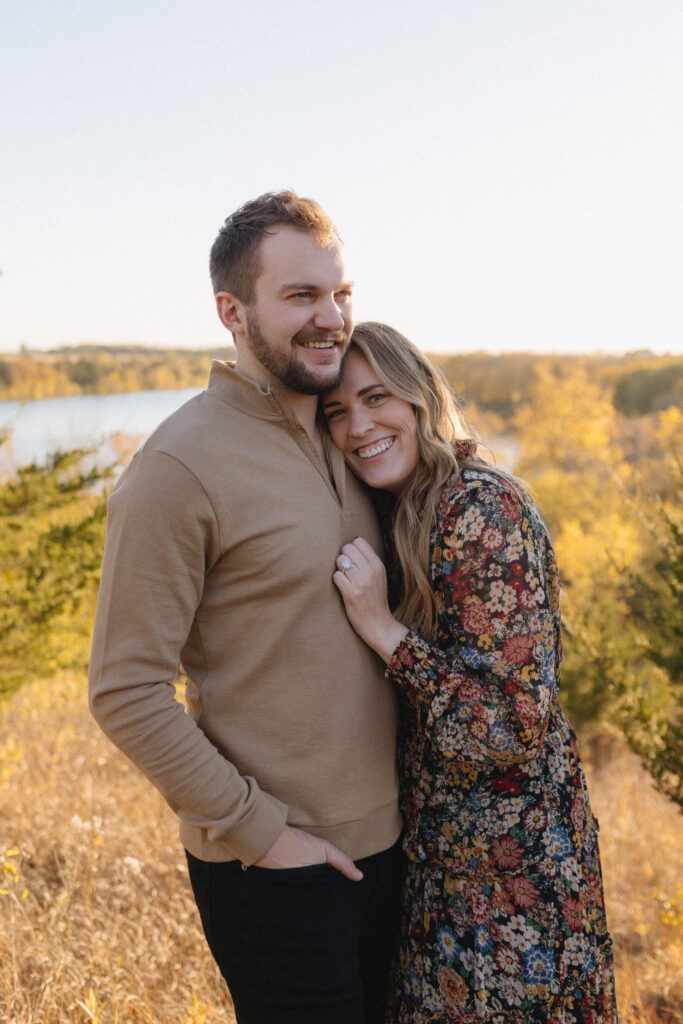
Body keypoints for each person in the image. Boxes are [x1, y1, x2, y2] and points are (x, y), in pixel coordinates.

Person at [88, 195, 403, 1024]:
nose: (330, 318)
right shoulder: (178, 468)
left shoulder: (352, 439)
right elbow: (124, 690)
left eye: (340, 295)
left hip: (397, 853)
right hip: (277, 873)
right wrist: (262, 835)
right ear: (232, 311)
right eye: (301, 296)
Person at [322, 322, 618, 1024]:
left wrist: (384, 632)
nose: (358, 425)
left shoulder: (480, 508)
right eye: (337, 413)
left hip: (513, 886)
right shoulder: (408, 509)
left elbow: (510, 725)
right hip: (447, 872)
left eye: (375, 398)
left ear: (419, 395)